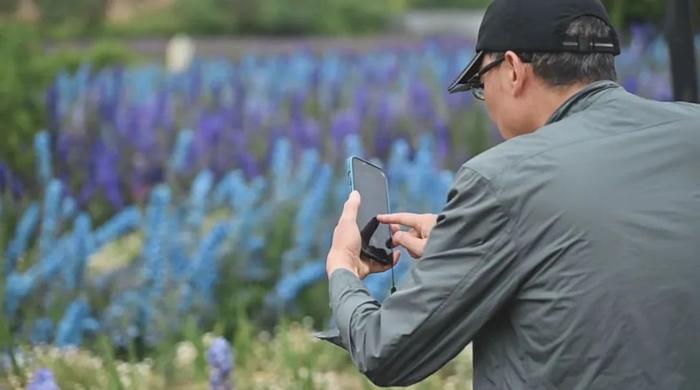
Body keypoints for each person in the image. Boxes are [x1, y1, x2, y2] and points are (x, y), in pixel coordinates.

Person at [320, 0, 700, 388]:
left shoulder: (501, 179)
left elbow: (385, 352)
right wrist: (465, 246)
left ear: (514, 70)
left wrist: (344, 268)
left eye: (480, 83)